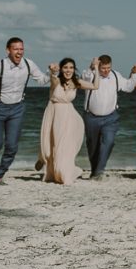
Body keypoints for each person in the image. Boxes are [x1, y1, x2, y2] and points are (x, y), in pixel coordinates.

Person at [0, 37, 51, 185]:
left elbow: (42, 80)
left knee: (12, 146)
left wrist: (51, 72)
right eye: (16, 49)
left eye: (21, 49)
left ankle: (0, 175)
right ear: (8, 50)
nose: (19, 52)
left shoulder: (28, 64)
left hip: (17, 108)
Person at [81, 55, 136, 180]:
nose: (106, 70)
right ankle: (95, 171)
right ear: (99, 66)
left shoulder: (115, 75)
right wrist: (93, 67)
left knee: (109, 142)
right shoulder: (90, 74)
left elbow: (128, 87)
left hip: (111, 118)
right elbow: (84, 77)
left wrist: (133, 73)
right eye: (103, 68)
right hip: (91, 117)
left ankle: (99, 171)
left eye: (108, 67)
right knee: (93, 146)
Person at [40, 57, 99, 185]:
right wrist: (52, 71)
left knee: (65, 146)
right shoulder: (56, 81)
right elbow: (53, 78)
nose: (68, 70)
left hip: (69, 116)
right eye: (66, 67)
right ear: (61, 69)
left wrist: (96, 69)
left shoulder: (76, 82)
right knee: (51, 145)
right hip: (54, 113)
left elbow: (95, 86)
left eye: (71, 67)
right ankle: (46, 162)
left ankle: (64, 172)